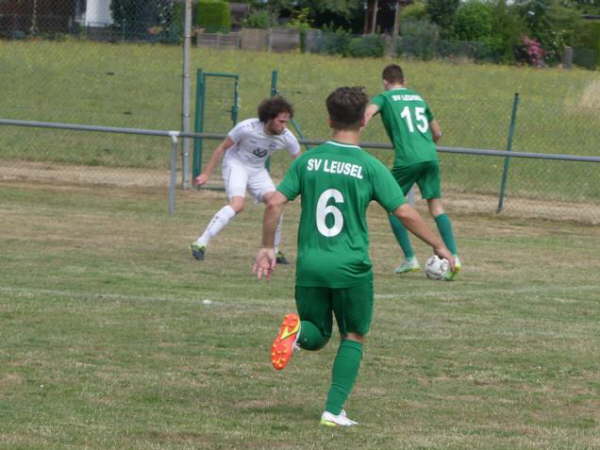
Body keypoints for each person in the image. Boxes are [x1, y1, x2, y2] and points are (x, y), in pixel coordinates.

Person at [253, 87, 455, 427]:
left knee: (317, 333)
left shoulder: (308, 160)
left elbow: (274, 201)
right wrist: (439, 245)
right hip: (350, 266)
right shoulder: (370, 167)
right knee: (353, 334)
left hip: (311, 264)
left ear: (329, 118)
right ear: (364, 120)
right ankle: (333, 411)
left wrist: (268, 247)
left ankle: (296, 332)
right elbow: (404, 212)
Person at [364, 64, 461, 279]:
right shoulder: (418, 98)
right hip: (430, 156)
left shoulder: (385, 97)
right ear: (404, 81)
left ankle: (410, 259)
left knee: (392, 204)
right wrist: (425, 144)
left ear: (385, 82)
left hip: (408, 158)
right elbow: (437, 132)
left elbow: (368, 112)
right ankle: (453, 255)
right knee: (436, 208)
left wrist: (359, 125)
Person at [191, 96, 301, 263]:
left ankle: (274, 250)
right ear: (269, 118)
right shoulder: (246, 128)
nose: (284, 126)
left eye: (286, 122)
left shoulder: (286, 136)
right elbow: (221, 148)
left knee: (275, 203)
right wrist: (206, 173)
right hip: (236, 164)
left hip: (257, 170)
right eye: (281, 121)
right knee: (238, 205)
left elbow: (299, 161)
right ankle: (200, 243)